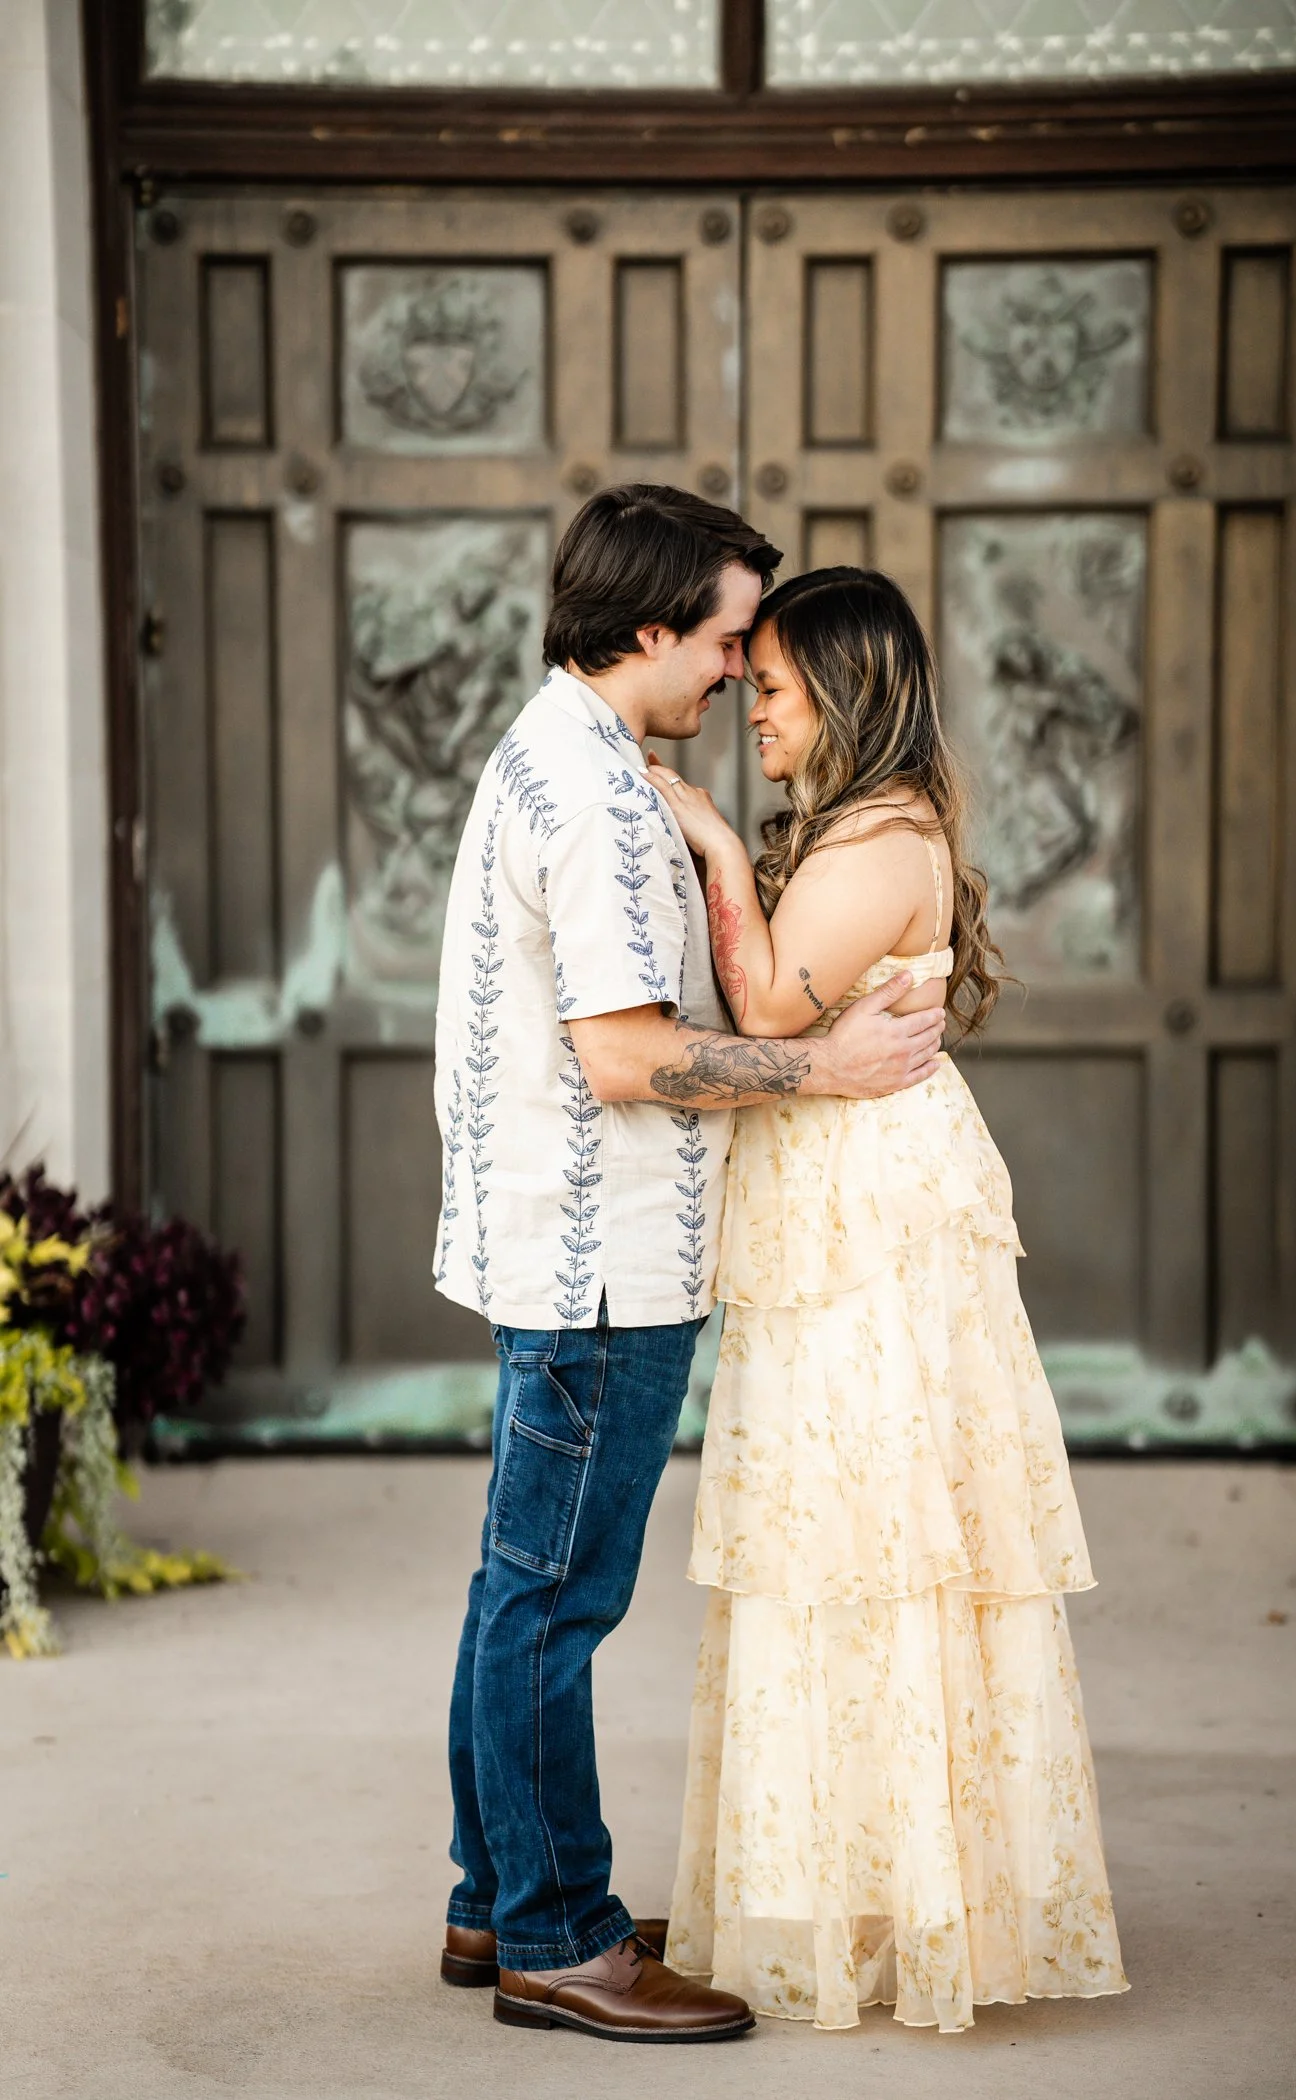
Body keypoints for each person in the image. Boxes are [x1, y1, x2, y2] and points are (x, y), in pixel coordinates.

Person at [430, 491, 946, 2045]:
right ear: (648, 623)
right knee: (555, 1603)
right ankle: (557, 1934)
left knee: (517, 1586)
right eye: (726, 638)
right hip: (603, 1264)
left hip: (579, 1248)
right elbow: (622, 1055)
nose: (736, 669)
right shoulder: (588, 792)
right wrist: (827, 1074)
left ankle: (494, 1894)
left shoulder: (573, 757)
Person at [650, 567, 1128, 2033]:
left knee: (872, 1538)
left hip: (873, 1227)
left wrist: (721, 848)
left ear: (845, 696)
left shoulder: (878, 834)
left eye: (779, 692)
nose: (759, 715)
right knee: (840, 1538)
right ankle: (858, 1883)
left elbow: (770, 1008)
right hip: (843, 1202)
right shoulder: (873, 824)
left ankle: (901, 1903)